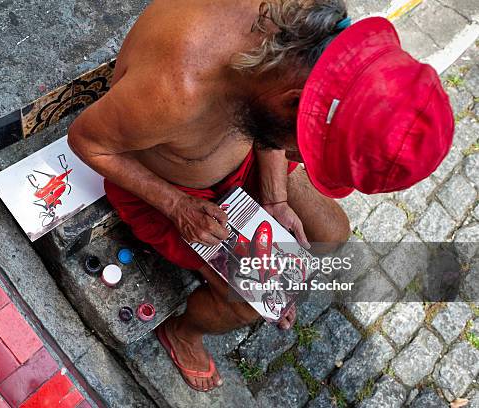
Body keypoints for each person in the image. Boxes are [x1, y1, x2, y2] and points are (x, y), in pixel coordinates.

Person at [67, 0, 453, 392]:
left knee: (331, 231)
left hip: (242, 154)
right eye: (302, 150)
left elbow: (268, 113)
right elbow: (87, 142)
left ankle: (240, 268)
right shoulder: (175, 90)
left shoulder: (300, 38)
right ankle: (182, 333)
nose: (298, 160)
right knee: (246, 306)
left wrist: (275, 201)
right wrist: (178, 206)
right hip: (174, 189)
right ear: (293, 102)